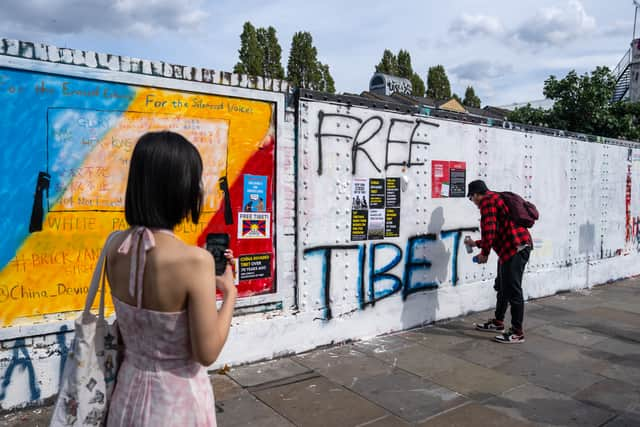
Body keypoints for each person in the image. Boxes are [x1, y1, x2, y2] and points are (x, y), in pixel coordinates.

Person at [105, 131, 237, 426]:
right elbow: (207, 352)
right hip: (177, 405)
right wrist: (230, 294)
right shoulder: (196, 262)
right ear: (182, 189)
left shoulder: (114, 246)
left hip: (125, 396)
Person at [464, 180, 532, 344]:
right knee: (502, 286)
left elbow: (490, 229)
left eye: (471, 198)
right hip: (510, 250)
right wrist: (477, 244)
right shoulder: (494, 198)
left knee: (514, 290)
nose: (473, 202)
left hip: (516, 248)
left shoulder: (487, 202)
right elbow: (497, 232)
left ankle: (517, 333)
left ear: (476, 195)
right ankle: (498, 322)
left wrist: (484, 253)